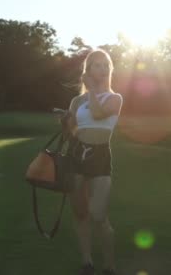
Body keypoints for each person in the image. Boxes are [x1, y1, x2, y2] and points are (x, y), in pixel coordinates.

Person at [61, 49, 123, 275]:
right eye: (97, 64)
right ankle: (87, 262)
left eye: (106, 65)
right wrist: (65, 123)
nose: (103, 68)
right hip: (77, 155)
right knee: (79, 213)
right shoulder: (77, 100)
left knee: (98, 214)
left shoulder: (115, 98)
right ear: (88, 69)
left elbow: (97, 114)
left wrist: (93, 90)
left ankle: (110, 266)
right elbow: (72, 133)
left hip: (100, 157)